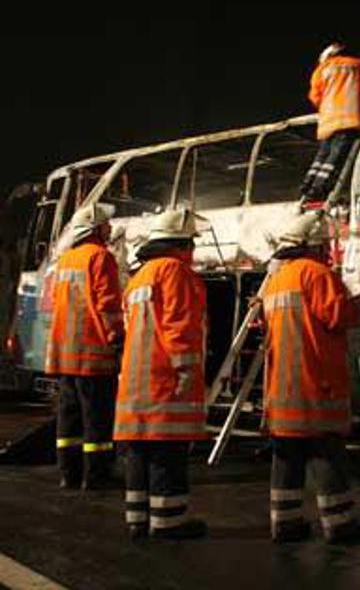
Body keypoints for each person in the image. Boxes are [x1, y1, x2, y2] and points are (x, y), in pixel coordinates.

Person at [261, 212, 360, 543]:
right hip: (315, 384)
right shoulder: (316, 274)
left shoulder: (278, 279)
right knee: (327, 452)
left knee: (287, 457)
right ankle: (339, 524)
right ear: (315, 246)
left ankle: (284, 523)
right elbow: (339, 315)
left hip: (282, 388)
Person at [114, 208, 208, 541]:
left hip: (135, 386)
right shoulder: (176, 272)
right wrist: (185, 370)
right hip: (164, 382)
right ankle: (169, 523)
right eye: (192, 244)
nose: (194, 253)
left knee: (139, 453)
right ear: (181, 245)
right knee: (167, 454)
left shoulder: (140, 277)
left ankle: (137, 519)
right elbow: (179, 325)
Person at [45, 203, 124, 490]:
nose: (111, 228)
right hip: (93, 355)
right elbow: (108, 306)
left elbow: (55, 302)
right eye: (107, 224)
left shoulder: (66, 260)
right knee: (97, 419)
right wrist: (118, 338)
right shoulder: (101, 257)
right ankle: (97, 477)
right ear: (95, 228)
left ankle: (69, 473)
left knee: (68, 418)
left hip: (65, 356)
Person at [300, 42, 360, 203]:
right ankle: (320, 188)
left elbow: (314, 96)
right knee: (337, 156)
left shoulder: (321, 70)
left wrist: (327, 105)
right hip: (348, 119)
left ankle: (308, 184)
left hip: (327, 121)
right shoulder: (356, 65)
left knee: (323, 154)